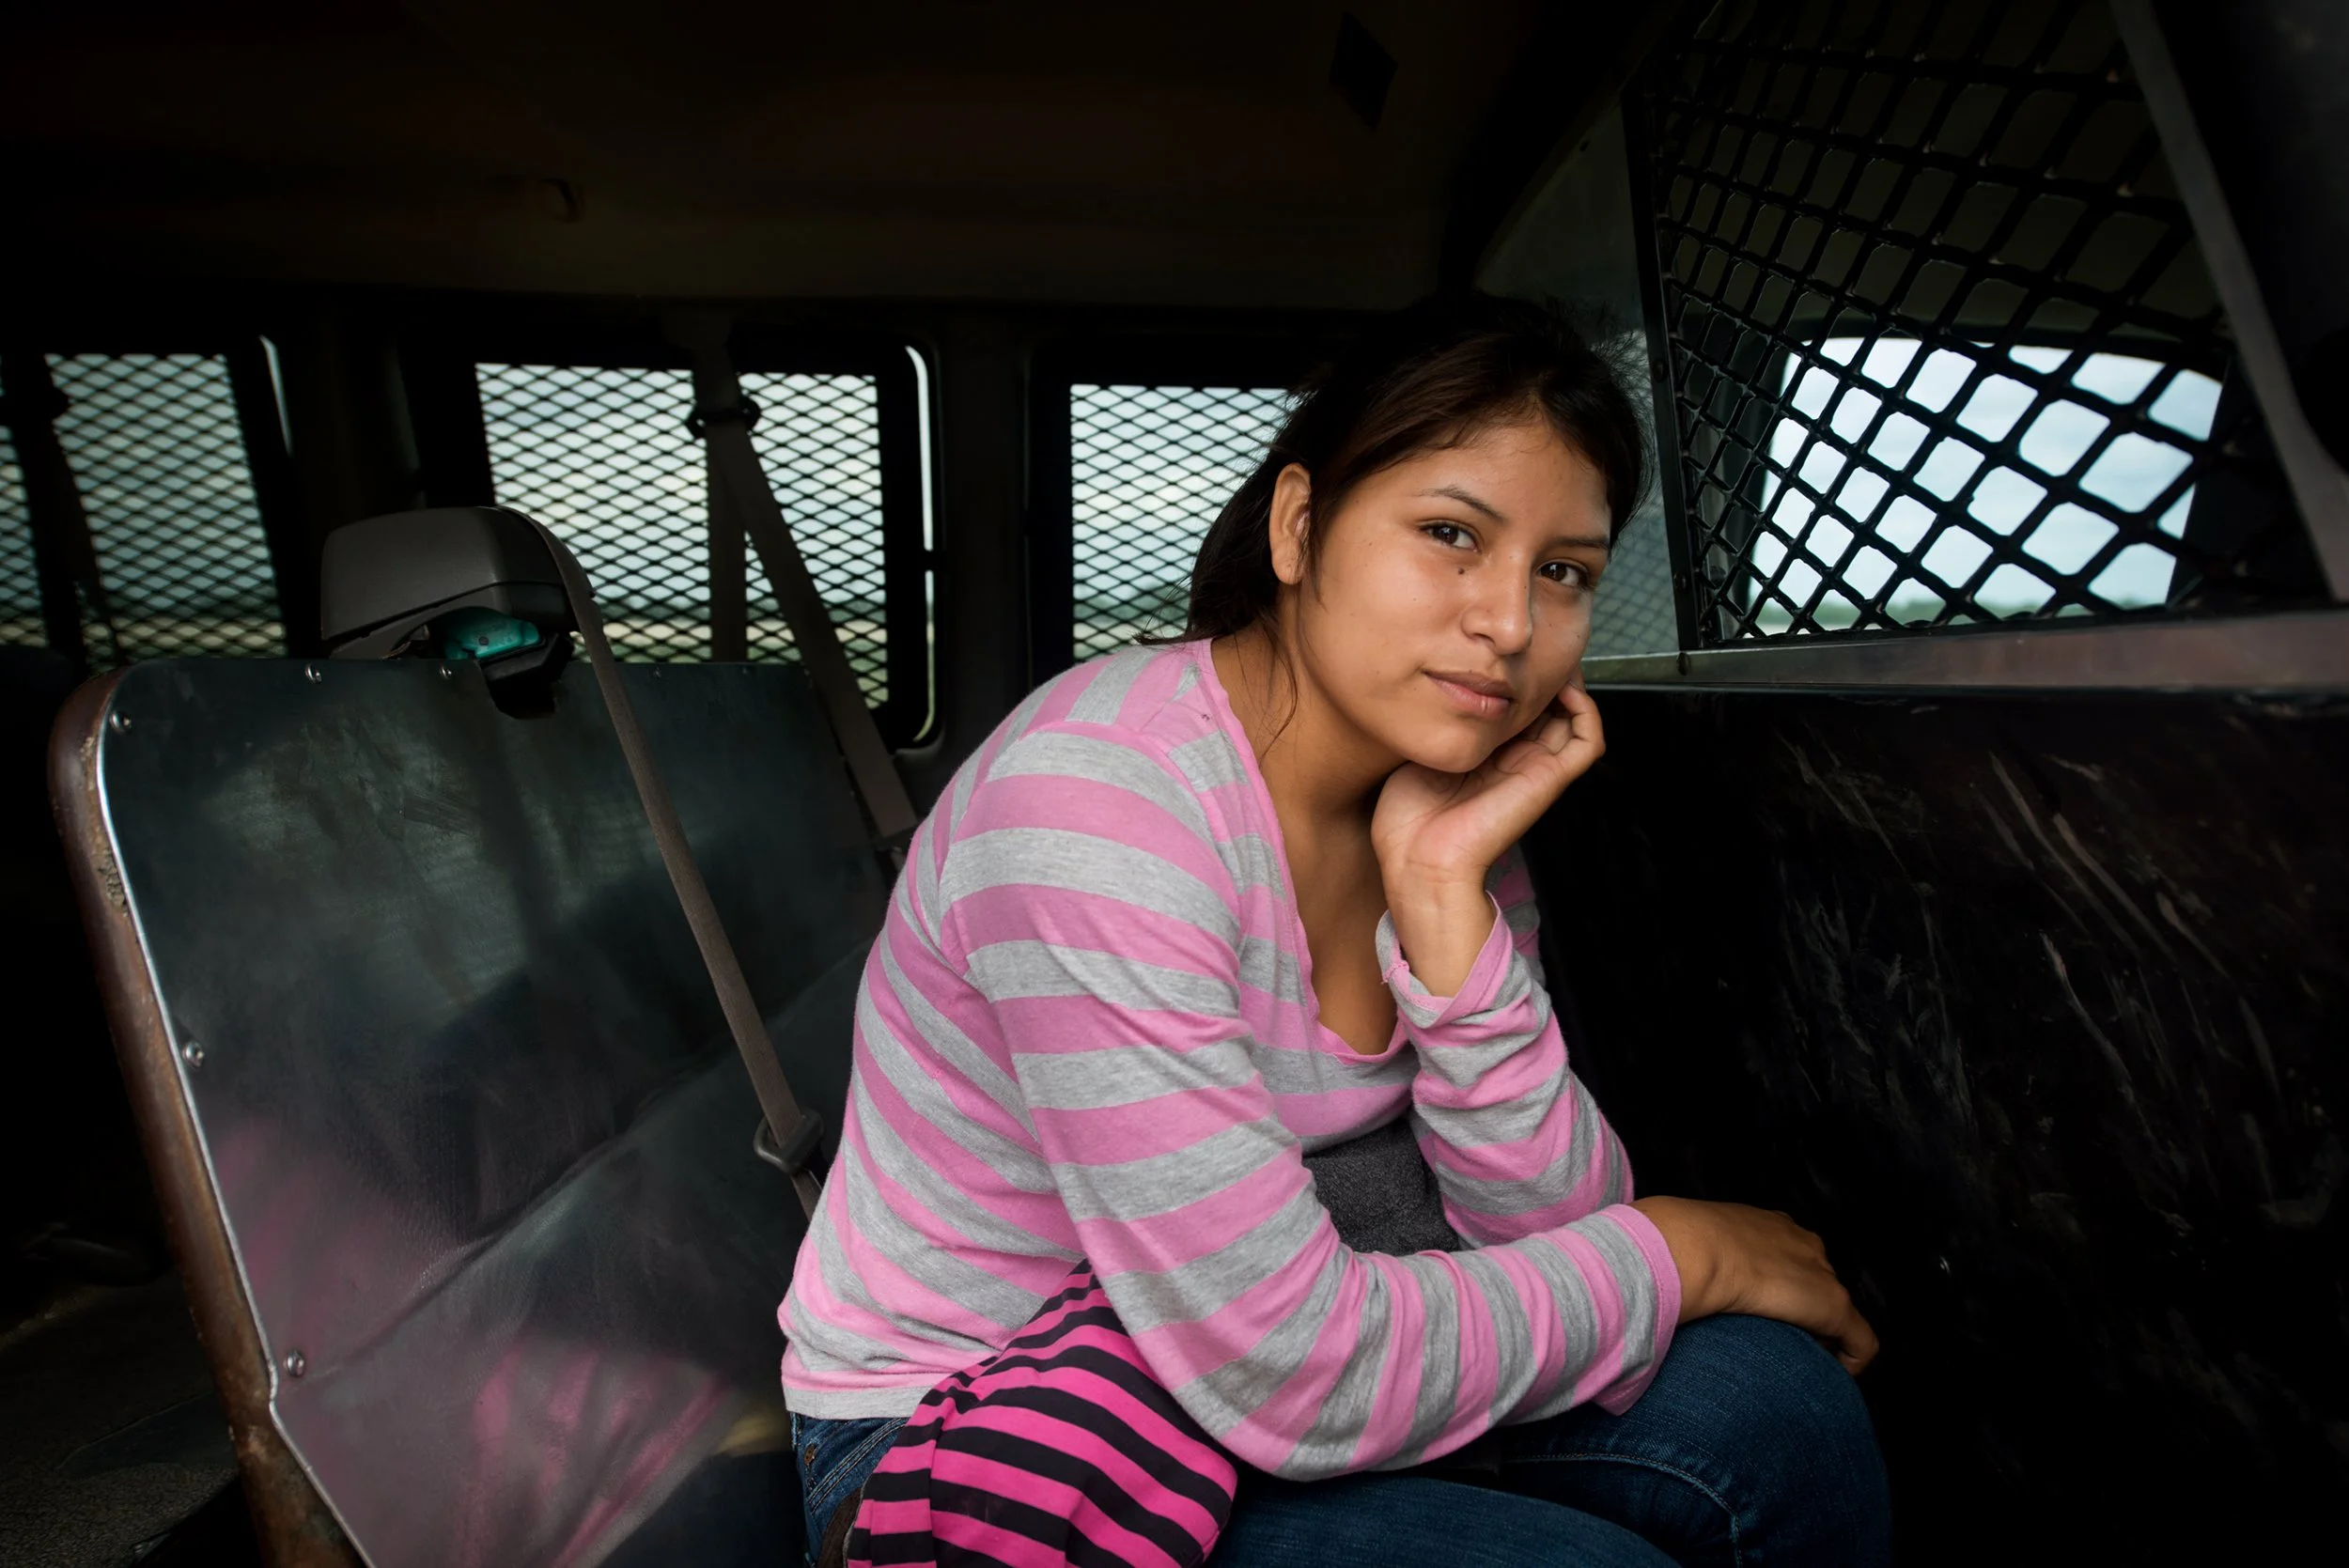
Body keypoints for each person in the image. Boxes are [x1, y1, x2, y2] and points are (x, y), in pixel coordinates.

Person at [780, 294, 1891, 1566]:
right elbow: (1297, 1369)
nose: (1511, 624)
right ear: (1300, 526)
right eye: (1452, 535)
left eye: (1564, 572)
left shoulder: (1447, 807)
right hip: (999, 1430)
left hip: (1269, 1343)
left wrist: (1443, 895)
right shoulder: (1099, 805)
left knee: (1783, 1413)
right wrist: (1686, 1255)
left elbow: (1553, 1236)